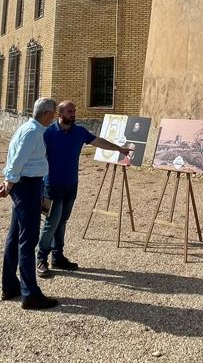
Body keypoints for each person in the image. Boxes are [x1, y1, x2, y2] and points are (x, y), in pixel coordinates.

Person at [37, 100, 131, 277]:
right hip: (51, 186)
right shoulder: (47, 133)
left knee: (62, 221)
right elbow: (34, 154)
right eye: (69, 111)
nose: (73, 114)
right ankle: (41, 258)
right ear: (60, 113)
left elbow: (98, 142)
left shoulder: (79, 132)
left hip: (71, 185)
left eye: (74, 111)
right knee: (51, 223)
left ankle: (58, 257)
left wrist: (119, 149)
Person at [0, 97, 59, 309]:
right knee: (27, 241)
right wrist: (9, 182)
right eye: (53, 113)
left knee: (15, 238)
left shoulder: (28, 128)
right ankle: (30, 293)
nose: (55, 117)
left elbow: (15, 158)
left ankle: (10, 285)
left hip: (25, 185)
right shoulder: (33, 132)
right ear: (46, 113)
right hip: (28, 186)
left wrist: (10, 182)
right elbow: (17, 160)